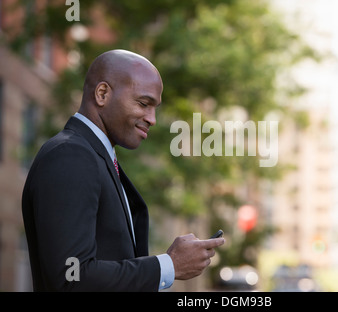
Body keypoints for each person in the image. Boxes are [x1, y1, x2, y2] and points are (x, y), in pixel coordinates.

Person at [21, 49, 225, 291]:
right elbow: (71, 277)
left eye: (155, 108)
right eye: (143, 103)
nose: (152, 119)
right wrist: (168, 266)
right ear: (102, 93)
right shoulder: (71, 155)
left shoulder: (97, 158)